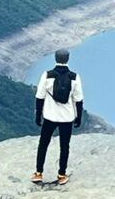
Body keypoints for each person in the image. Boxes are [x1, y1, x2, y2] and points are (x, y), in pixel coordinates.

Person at [32, 48, 84, 184]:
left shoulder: (47, 75)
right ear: (68, 59)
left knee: (43, 144)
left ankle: (38, 173)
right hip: (67, 118)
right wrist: (78, 117)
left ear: (55, 58)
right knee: (64, 146)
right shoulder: (74, 77)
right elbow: (78, 100)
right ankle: (61, 174)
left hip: (49, 116)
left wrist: (38, 115)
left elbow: (39, 96)